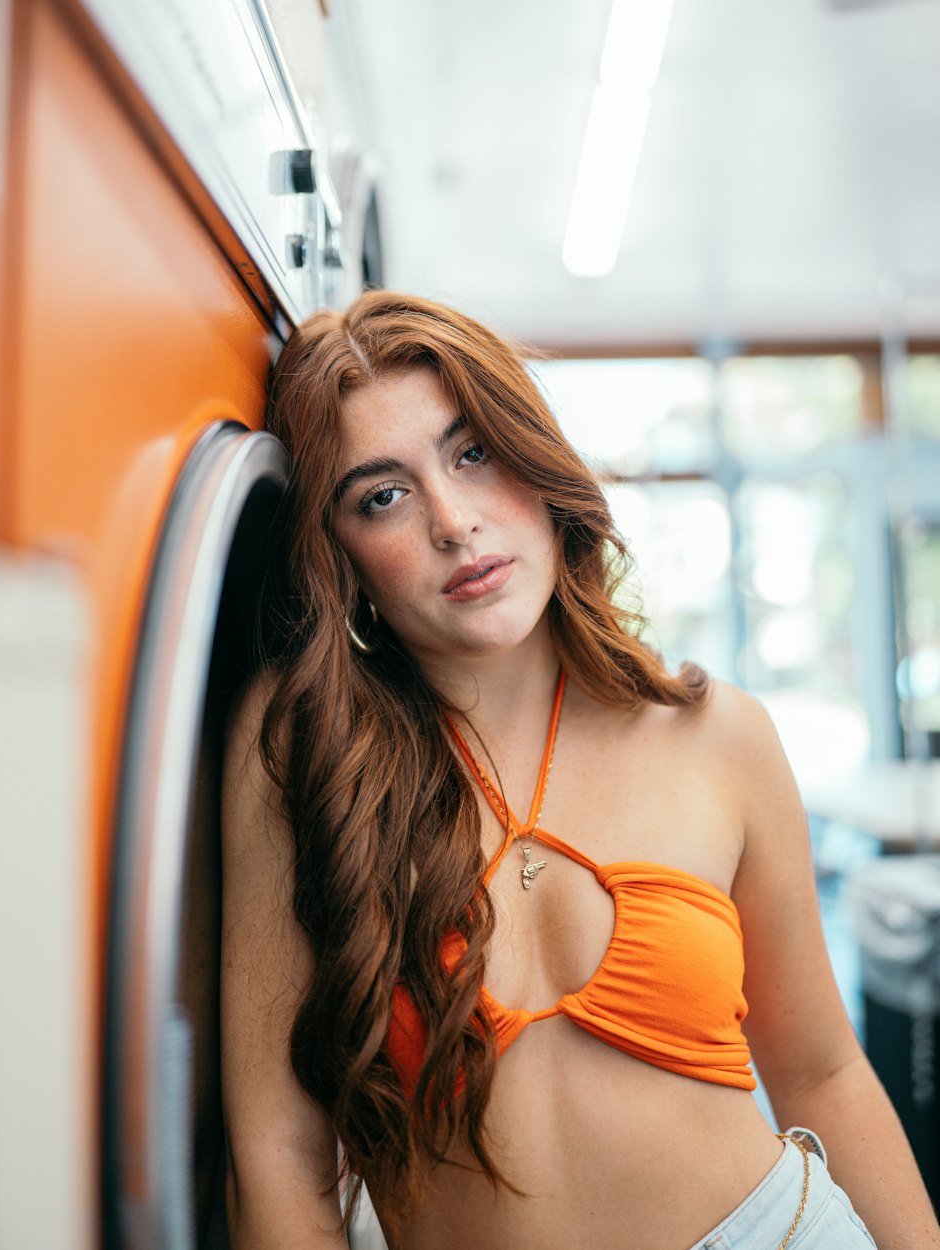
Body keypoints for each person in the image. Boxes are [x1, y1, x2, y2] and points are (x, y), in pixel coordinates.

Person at [220, 289, 939, 1250]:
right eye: (381, 495)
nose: (454, 521)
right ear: (339, 553)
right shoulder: (302, 756)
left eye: (472, 452)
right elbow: (277, 1154)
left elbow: (821, 1073)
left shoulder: (719, 737)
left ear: (534, 457)